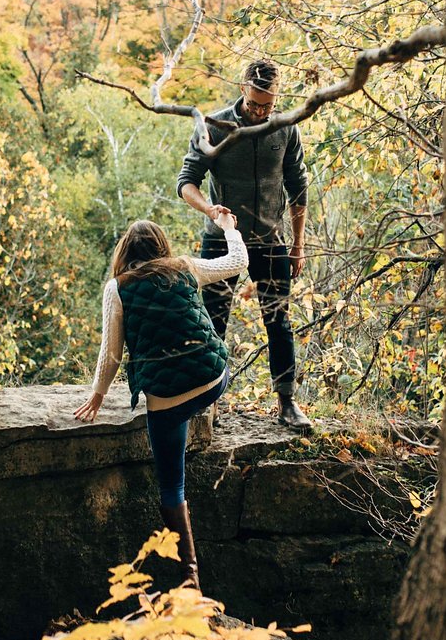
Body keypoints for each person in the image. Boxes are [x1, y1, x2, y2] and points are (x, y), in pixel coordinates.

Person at [73, 211, 248, 588]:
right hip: (212, 378)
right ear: (161, 247)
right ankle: (206, 407)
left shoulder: (117, 288)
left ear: (123, 252)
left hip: (167, 399)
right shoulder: (183, 268)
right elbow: (238, 262)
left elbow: (112, 354)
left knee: (172, 486)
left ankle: (190, 577)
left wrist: (96, 397)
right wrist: (230, 229)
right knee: (208, 376)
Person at [176, 59, 312, 430]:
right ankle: (208, 404)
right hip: (221, 241)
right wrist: (209, 207)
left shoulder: (285, 128)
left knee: (279, 321)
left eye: (267, 105)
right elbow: (187, 181)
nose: (260, 111)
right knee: (212, 323)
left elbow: (298, 187)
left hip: (271, 242)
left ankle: (287, 403)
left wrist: (297, 245)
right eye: (254, 104)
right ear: (242, 89)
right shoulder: (215, 127)